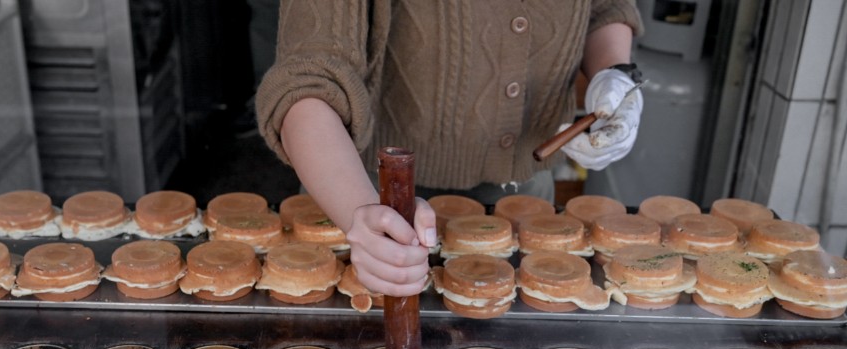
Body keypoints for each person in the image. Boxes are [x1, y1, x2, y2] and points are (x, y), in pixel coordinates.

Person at [256, 0, 644, 297]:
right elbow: (306, 83)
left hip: (523, 201)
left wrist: (613, 72)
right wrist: (362, 215)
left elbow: (603, 7)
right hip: (358, 200)